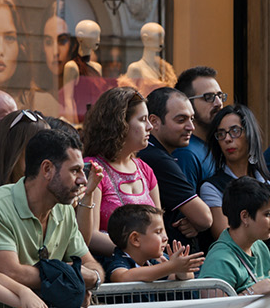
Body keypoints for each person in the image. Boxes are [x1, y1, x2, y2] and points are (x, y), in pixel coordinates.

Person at [0, 127, 104, 299]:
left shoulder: (64, 208)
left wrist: (91, 278)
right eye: (75, 170)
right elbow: (13, 273)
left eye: (83, 170)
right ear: (47, 169)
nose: (83, 179)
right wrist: (71, 276)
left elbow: (92, 267)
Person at [201, 104, 270, 262]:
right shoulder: (212, 187)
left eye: (235, 131)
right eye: (221, 134)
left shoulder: (266, 182)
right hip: (243, 271)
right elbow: (228, 237)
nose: (227, 139)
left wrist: (256, 228)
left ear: (249, 134)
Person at [77, 86, 160, 258]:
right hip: (112, 268)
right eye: (143, 119)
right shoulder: (93, 168)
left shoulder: (145, 169)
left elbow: (160, 229)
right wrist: (139, 252)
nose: (150, 126)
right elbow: (89, 236)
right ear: (120, 124)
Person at [140, 87, 214, 243]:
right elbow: (204, 218)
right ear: (154, 122)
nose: (191, 127)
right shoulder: (157, 159)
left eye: (191, 119)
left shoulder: (151, 152)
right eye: (181, 120)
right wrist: (195, 220)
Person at [103, 203, 204, 282]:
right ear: (135, 239)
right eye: (158, 232)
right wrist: (171, 266)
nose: (165, 238)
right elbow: (123, 277)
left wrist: (181, 270)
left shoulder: (151, 262)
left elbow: (177, 277)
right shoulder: (118, 261)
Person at [172, 66, 223, 190]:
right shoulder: (186, 154)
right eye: (209, 97)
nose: (218, 103)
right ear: (187, 104)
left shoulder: (220, 144)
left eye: (220, 96)